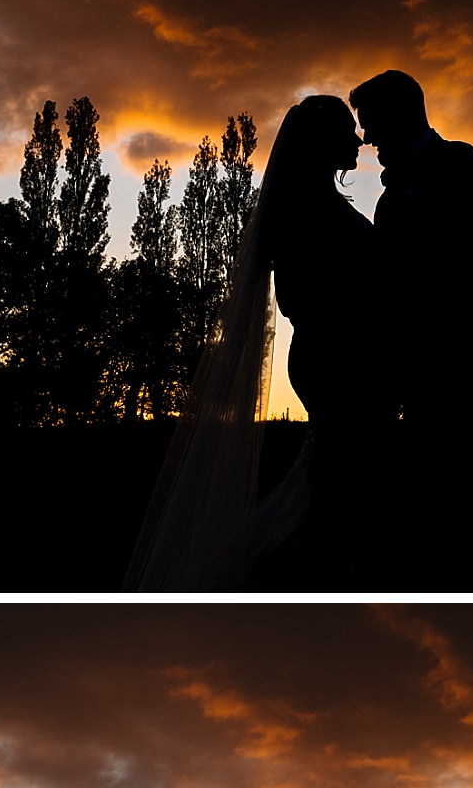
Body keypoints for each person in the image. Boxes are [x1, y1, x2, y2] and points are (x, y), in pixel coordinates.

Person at [123, 95, 393, 592]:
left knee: (339, 476)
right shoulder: (302, 210)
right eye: (345, 131)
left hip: (344, 356)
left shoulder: (317, 204)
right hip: (334, 359)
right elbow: (303, 293)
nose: (356, 139)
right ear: (320, 143)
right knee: (343, 478)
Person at [348, 69, 473, 428]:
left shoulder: (460, 162)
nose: (366, 138)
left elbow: (451, 264)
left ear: (399, 114)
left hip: (470, 364)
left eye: (372, 123)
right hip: (419, 374)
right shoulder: (387, 199)